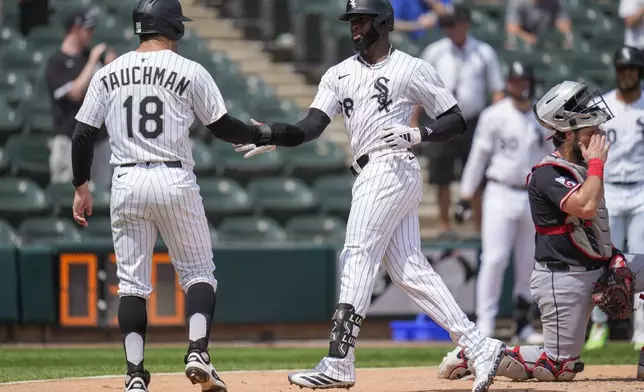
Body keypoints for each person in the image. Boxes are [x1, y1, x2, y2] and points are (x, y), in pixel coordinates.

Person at [233, 0, 506, 391]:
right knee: (410, 270)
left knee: (357, 253)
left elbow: (455, 117)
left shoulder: (410, 67)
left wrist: (420, 134)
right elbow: (310, 126)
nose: (354, 27)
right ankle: (479, 345)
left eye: (361, 19)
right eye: (352, 20)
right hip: (369, 171)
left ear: (384, 21)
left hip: (392, 164)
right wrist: (272, 135)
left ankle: (339, 360)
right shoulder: (338, 74)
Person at [69, 0, 284, 391]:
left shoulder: (108, 72)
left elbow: (83, 135)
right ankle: (198, 350)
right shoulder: (189, 70)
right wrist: (263, 134)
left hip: (127, 181)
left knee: (132, 285)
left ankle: (135, 376)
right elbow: (222, 127)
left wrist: (81, 187)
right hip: (173, 178)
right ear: (172, 26)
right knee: (199, 273)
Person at [437, 80, 644, 383]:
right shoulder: (548, 173)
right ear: (568, 134)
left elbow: (590, 230)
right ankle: (477, 352)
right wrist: (598, 163)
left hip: (594, 268)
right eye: (590, 132)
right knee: (556, 368)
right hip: (564, 279)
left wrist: (613, 257)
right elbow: (585, 207)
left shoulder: (584, 169)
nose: (599, 138)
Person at [454, 61, 552, 344]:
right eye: (513, 81)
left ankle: (522, 324)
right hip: (499, 191)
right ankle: (485, 323)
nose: (517, 86)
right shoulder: (494, 115)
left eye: (523, 81)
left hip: (532, 196)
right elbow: (478, 157)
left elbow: (552, 156)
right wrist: (465, 196)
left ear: (531, 83)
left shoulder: (540, 118)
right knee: (494, 259)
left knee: (527, 263)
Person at [415, 3, 505, 238]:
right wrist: (414, 120)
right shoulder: (435, 51)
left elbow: (497, 89)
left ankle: (479, 227)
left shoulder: (483, 52)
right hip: (441, 119)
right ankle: (445, 225)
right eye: (446, 24)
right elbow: (419, 88)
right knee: (440, 175)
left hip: (472, 121)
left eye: (452, 24)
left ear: (465, 24)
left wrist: (497, 123)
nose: (449, 29)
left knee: (476, 175)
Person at [585, 46, 644, 351]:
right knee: (604, 260)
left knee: (642, 260)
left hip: (640, 190)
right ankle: (598, 324)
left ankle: (642, 330)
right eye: (622, 69)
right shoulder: (602, 104)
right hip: (608, 189)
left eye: (631, 68)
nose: (627, 74)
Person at [45, 8, 117, 190]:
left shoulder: (90, 57)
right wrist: (93, 62)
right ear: (74, 29)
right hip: (70, 140)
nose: (91, 34)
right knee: (68, 195)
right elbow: (75, 92)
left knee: (103, 196)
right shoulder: (57, 63)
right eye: (88, 29)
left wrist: (112, 66)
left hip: (98, 140)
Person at [506, 0, 573, 50]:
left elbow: (563, 24)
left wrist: (565, 34)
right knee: (512, 42)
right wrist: (528, 38)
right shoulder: (518, 1)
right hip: (522, 44)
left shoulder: (555, 2)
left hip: (546, 43)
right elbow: (511, 27)